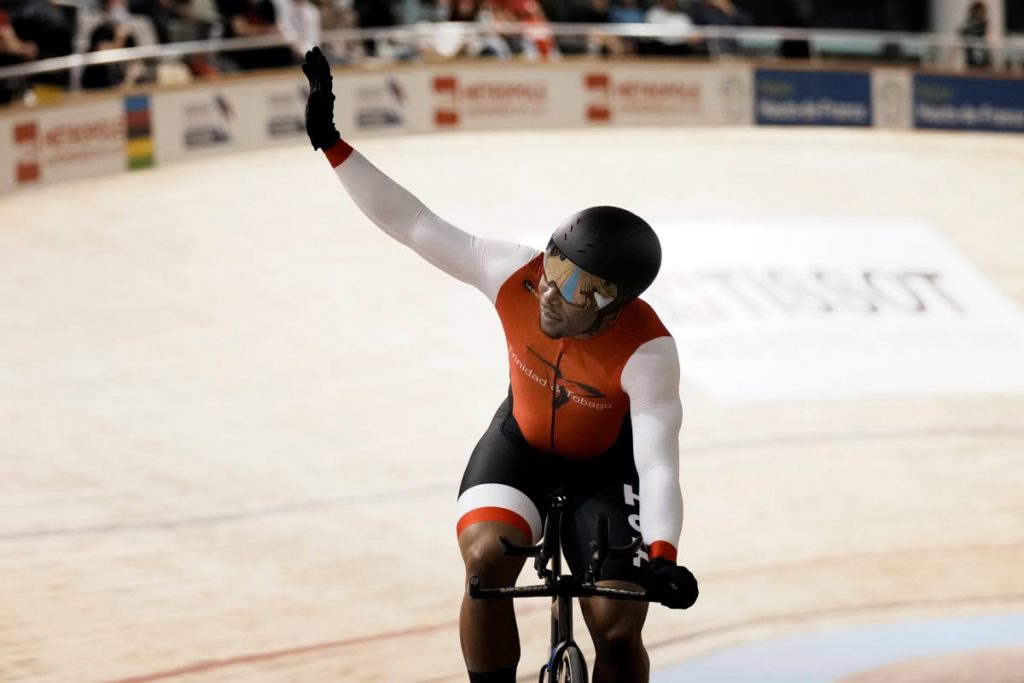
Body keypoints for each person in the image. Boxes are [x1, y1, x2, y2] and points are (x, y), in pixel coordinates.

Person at [300, 46, 699, 683]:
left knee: (617, 626)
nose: (549, 289)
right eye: (553, 266)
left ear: (609, 305)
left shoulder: (648, 352)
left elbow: (655, 461)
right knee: (485, 564)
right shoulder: (511, 272)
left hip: (606, 467)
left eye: (572, 285)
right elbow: (413, 223)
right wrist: (331, 143)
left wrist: (662, 554)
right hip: (520, 443)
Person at [960, 0, 990, 69]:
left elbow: (989, 39)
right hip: (971, 58)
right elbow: (960, 40)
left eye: (980, 11)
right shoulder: (968, 25)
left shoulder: (984, 24)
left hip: (983, 57)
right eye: (976, 11)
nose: (978, 14)